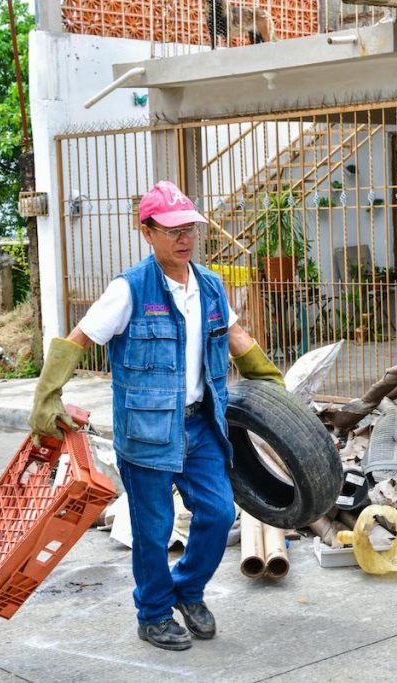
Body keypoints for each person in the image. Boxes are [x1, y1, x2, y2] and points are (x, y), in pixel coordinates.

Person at [28, 180, 285, 651]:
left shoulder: (209, 284)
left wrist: (272, 385)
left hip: (201, 424)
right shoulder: (129, 289)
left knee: (217, 511)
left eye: (189, 228)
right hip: (147, 431)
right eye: (172, 230)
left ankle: (187, 590)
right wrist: (48, 394)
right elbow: (80, 338)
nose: (184, 238)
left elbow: (235, 335)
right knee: (153, 529)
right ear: (146, 232)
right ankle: (152, 614)